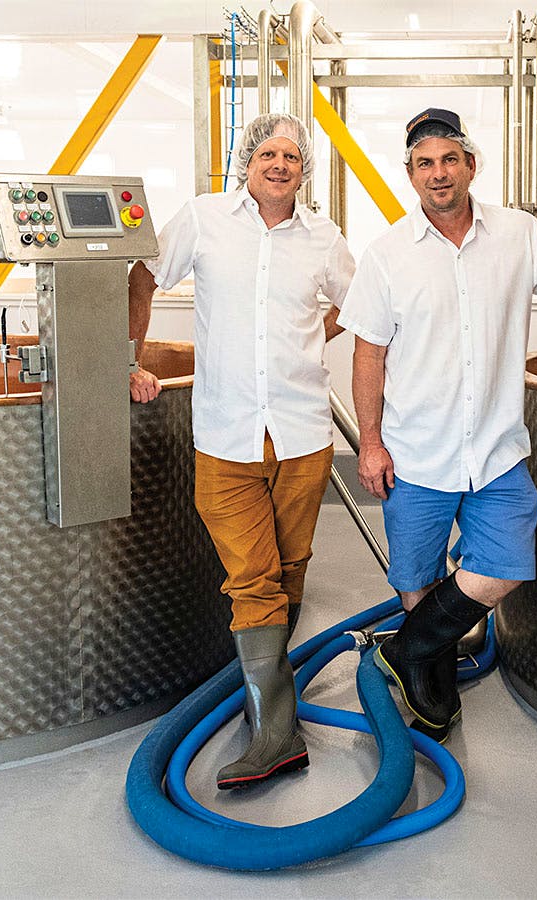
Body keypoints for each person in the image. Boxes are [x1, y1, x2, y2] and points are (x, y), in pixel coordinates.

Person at [336, 107, 537, 742]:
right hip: (416, 451)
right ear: (410, 174)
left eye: (450, 159)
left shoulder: (520, 234)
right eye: (425, 163)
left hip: (498, 449)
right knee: (418, 584)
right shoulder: (389, 254)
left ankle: (403, 653)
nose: (439, 173)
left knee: (504, 566)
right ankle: (428, 663)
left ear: (472, 166)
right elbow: (367, 352)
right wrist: (370, 442)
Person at [127, 113, 354, 788]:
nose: (279, 163)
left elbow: (365, 302)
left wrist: (311, 335)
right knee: (252, 577)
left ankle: (267, 697)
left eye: (291, 155)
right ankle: (276, 733)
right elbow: (144, 277)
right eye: (267, 153)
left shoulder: (323, 236)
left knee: (289, 566)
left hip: (302, 431)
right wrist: (126, 359)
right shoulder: (202, 218)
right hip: (226, 432)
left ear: (302, 170)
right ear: (245, 161)